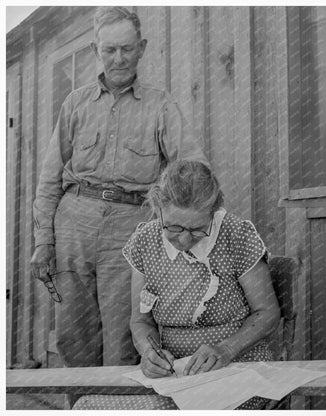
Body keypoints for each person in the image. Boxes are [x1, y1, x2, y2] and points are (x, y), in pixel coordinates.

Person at [30, 5, 207, 380]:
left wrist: (176, 229)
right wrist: (43, 241)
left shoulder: (161, 105)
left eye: (127, 49)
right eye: (110, 50)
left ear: (141, 48)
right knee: (73, 337)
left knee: (124, 338)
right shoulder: (75, 104)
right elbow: (48, 180)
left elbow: (193, 172)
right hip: (73, 227)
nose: (119, 58)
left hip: (130, 230)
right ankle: (78, 405)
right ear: (97, 51)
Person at [73, 160, 280, 410]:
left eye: (197, 229)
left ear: (213, 213)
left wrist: (225, 350)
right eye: (174, 227)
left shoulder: (237, 235)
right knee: (87, 406)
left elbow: (267, 313)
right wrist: (150, 354)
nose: (184, 239)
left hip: (240, 368)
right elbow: (141, 321)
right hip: (175, 377)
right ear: (158, 207)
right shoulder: (145, 241)